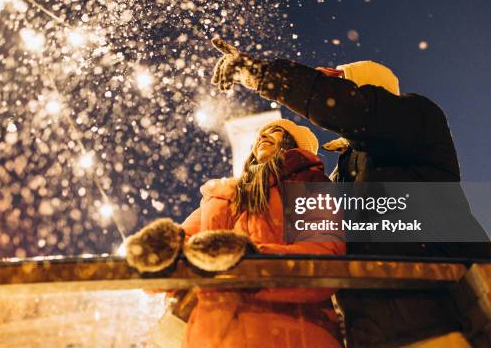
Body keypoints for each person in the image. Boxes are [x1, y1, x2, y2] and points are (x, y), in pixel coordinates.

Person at [209, 38, 491, 346]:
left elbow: (350, 109)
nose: (329, 84)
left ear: (369, 89)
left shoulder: (415, 118)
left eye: (341, 82)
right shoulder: (341, 173)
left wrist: (264, 75)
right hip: (378, 328)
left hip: (450, 314)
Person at [127, 119, 345, 347]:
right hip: (213, 335)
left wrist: (247, 260)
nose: (264, 135)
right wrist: (158, 255)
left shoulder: (308, 184)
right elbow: (187, 249)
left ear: (294, 146)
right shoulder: (222, 196)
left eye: (277, 131)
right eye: (261, 133)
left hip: (290, 333)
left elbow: (326, 256)